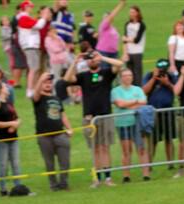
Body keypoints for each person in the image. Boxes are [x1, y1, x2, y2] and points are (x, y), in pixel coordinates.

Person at [64, 50, 123, 188]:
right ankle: (96, 179)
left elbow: (120, 64)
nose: (92, 61)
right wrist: (75, 62)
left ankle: (108, 178)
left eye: (93, 58)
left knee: (105, 147)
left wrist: (102, 57)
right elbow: (67, 79)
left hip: (105, 116)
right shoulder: (83, 76)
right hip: (89, 118)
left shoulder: (106, 73)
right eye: (89, 59)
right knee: (95, 149)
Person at [32, 72, 73, 191]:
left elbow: (63, 115)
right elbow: (35, 94)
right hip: (44, 136)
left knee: (65, 162)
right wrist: (40, 79)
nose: (48, 84)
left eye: (50, 83)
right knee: (49, 163)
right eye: (46, 83)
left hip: (60, 134)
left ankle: (64, 183)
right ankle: (53, 185)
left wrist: (69, 128)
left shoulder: (56, 98)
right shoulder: (38, 98)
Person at [111, 68, 149, 182]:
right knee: (126, 150)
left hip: (137, 122)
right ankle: (126, 175)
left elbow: (143, 103)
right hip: (122, 123)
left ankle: (146, 174)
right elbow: (120, 104)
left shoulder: (138, 89)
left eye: (130, 75)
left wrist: (127, 105)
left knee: (141, 148)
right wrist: (135, 102)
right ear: (121, 78)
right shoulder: (115, 91)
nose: (128, 77)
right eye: (125, 75)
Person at [141, 59, 177, 167]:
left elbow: (177, 91)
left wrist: (167, 83)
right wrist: (153, 78)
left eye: (164, 69)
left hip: (168, 111)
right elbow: (144, 91)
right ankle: (149, 165)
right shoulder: (149, 75)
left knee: (169, 139)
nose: (162, 72)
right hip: (153, 112)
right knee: (152, 140)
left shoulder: (171, 76)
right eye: (160, 69)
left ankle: (170, 164)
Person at [15, 1, 49, 98]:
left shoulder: (24, 18)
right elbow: (38, 25)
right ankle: (30, 90)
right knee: (33, 69)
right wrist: (44, 17)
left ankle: (34, 88)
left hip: (32, 46)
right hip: (30, 46)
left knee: (35, 68)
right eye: (29, 7)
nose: (31, 8)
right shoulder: (23, 18)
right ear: (25, 7)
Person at [0, 81, 20, 196]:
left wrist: (16, 124)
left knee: (16, 163)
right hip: (2, 139)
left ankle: (18, 186)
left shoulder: (9, 103)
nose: (7, 88)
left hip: (14, 138)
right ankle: (3, 188)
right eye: (5, 86)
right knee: (3, 164)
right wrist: (11, 124)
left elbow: (17, 118)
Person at [121, 6, 145, 87]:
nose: (131, 14)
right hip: (129, 52)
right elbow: (124, 41)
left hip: (137, 52)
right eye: (130, 12)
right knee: (129, 74)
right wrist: (125, 53)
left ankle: (138, 92)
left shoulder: (141, 25)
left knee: (138, 74)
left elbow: (137, 40)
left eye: (133, 12)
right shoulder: (127, 24)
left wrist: (127, 39)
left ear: (137, 13)